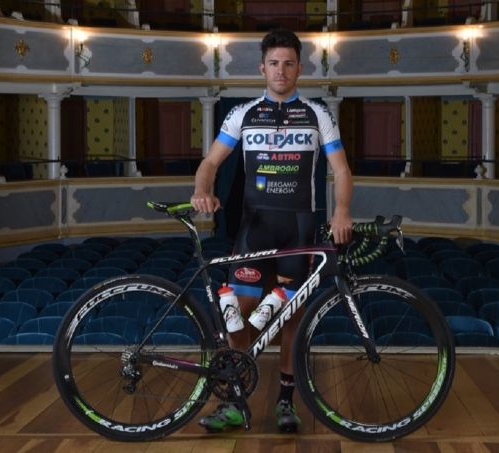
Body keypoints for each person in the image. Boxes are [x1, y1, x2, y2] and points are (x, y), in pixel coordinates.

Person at [191, 28, 353, 433]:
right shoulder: (242, 114)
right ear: (262, 68)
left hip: (299, 229)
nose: (281, 71)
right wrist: (201, 191)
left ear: (300, 68)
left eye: (289, 63)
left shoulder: (317, 114)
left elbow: (340, 170)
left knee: (291, 320)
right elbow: (210, 163)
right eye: (274, 63)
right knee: (238, 316)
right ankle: (235, 402)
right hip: (255, 228)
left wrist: (342, 212)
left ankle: (285, 403)